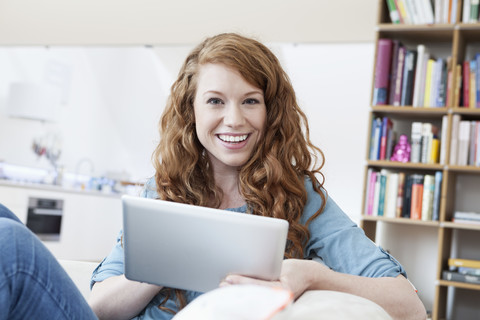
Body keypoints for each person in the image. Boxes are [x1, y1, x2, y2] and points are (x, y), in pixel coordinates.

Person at [0, 33, 426, 320]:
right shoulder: (164, 188)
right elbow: (99, 305)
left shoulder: (300, 196)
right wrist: (162, 263)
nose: (234, 120)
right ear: (193, 112)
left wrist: (312, 275)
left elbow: (408, 303)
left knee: (12, 244)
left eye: (251, 101)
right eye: (216, 101)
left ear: (271, 111)